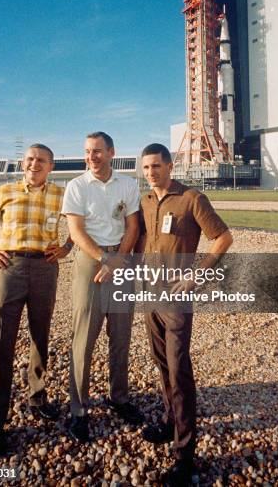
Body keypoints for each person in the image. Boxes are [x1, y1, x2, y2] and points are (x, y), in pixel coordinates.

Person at [0, 144, 73, 456]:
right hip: (9, 267)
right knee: (2, 341)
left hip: (45, 268)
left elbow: (83, 222)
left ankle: (37, 399)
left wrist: (66, 247)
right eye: (29, 159)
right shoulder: (5, 191)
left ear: (51, 166)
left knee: (41, 337)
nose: (34, 164)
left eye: (41, 160)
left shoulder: (61, 194)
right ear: (22, 163)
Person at [138, 143, 233, 487]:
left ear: (169, 166)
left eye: (156, 167)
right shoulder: (147, 200)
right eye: (146, 168)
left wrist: (196, 275)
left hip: (176, 298)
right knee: (161, 363)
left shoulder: (192, 199)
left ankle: (185, 453)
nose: (151, 173)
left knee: (179, 371)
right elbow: (147, 239)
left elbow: (223, 238)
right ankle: (169, 421)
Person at [62, 131, 142, 442]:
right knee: (84, 337)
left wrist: (120, 258)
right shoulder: (77, 186)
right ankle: (79, 409)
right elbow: (76, 230)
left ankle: (118, 397)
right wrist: (104, 259)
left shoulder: (128, 184)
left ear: (111, 152)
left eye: (97, 151)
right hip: (91, 260)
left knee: (121, 335)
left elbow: (133, 225)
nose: (91, 157)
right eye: (87, 151)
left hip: (121, 260)